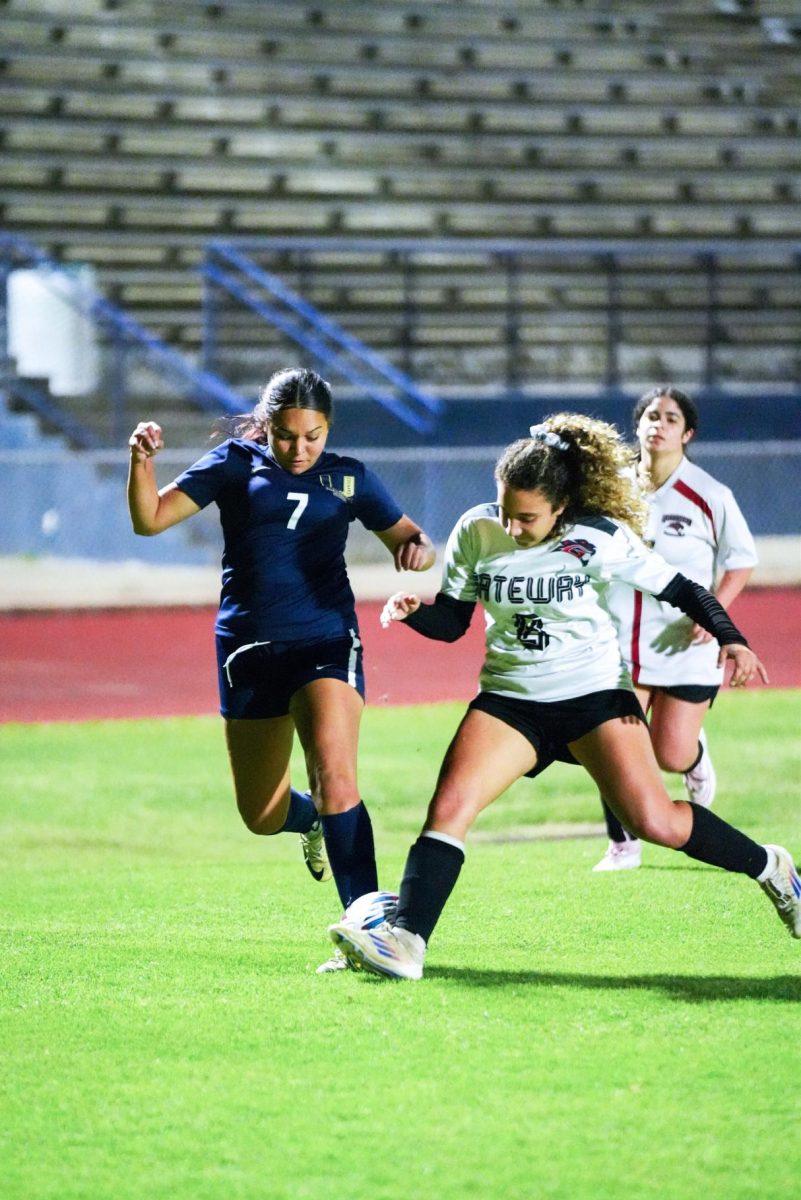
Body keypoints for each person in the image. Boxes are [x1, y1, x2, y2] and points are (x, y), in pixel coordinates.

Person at [327, 414, 800, 980]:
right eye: (505, 510)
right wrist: (413, 614)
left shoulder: (598, 536)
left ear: (560, 506)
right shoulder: (477, 530)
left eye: (527, 517)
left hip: (594, 699)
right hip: (510, 701)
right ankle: (407, 943)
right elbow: (455, 622)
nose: (513, 525)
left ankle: (771, 867)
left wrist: (732, 639)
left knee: (658, 823)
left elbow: (684, 589)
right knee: (449, 810)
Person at [127, 367, 435, 971]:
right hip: (247, 651)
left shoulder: (350, 476)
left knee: (335, 774)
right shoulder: (233, 464)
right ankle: (311, 822)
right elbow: (150, 519)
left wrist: (414, 547)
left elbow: (409, 534)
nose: (299, 449)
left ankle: (371, 931)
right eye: (286, 436)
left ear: (328, 428)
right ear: (266, 426)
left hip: (324, 641)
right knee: (260, 813)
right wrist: (140, 462)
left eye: (312, 436)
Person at [593, 386, 759, 871]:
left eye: (669, 418)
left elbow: (741, 562)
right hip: (618, 641)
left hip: (684, 644)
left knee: (668, 752)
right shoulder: (612, 489)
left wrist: (716, 617)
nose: (657, 424)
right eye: (650, 415)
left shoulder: (710, 494)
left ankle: (694, 757)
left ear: (686, 433)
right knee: (613, 740)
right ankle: (623, 844)